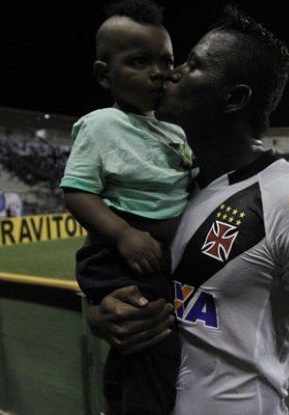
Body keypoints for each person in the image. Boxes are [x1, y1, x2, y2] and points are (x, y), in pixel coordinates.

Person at [86, 6, 289, 415]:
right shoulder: (160, 184)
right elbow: (105, 279)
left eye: (194, 66)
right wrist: (100, 315)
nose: (172, 72)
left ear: (234, 98)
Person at [59, 0, 192, 414]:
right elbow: (77, 191)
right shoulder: (100, 124)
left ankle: (116, 394)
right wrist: (123, 234)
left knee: (141, 354)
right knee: (156, 347)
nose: (158, 73)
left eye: (166, 61)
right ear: (105, 74)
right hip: (121, 254)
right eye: (139, 61)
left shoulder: (174, 128)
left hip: (155, 256)